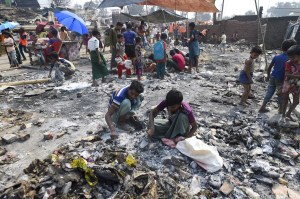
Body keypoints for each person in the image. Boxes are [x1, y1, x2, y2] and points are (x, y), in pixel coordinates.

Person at [259, 39, 297, 113]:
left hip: (273, 76)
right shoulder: (290, 60)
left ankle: (262, 107)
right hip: (281, 79)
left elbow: (269, 67)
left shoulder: (277, 56)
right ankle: (280, 110)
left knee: (269, 92)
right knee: (281, 95)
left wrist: (268, 76)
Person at [281, 45, 300, 122]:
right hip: (288, 83)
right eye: (290, 57)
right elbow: (287, 74)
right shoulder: (288, 63)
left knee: (296, 101)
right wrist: (297, 76)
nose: (291, 59)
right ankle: (283, 115)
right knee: (285, 99)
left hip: (297, 85)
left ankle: (288, 113)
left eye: (293, 57)